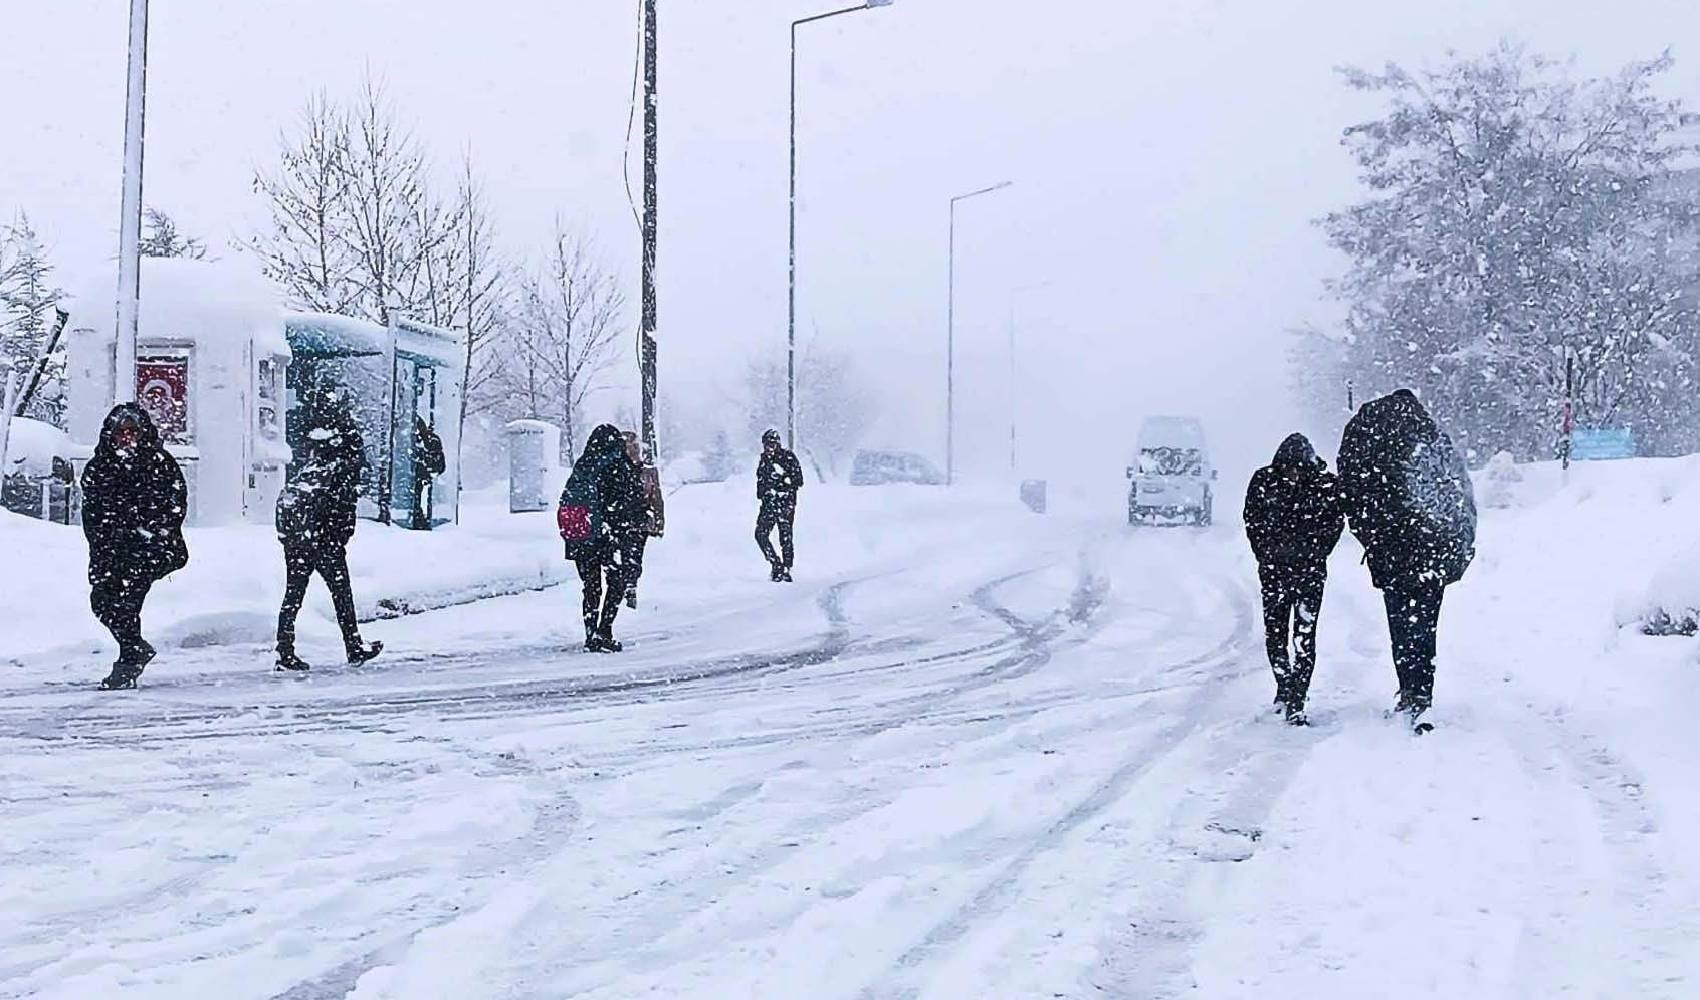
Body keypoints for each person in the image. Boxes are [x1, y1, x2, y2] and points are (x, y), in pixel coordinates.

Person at [1337, 389, 1476, 729]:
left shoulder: (1374, 447)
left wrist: (1372, 537)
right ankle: (1422, 692)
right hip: (1434, 555)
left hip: (1393, 556)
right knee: (1426, 626)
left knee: (1401, 625)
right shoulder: (1432, 442)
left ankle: (1408, 689)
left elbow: (1354, 497)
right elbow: (1458, 497)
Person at [81, 403, 189, 690]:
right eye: (121, 432)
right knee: (102, 602)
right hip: (112, 551)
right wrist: (104, 545)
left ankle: (128, 663)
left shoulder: (159, 464)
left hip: (151, 550)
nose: (127, 438)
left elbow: (175, 505)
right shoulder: (99, 467)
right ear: (111, 435)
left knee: (127, 603)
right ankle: (134, 649)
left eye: (132, 432)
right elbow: (92, 515)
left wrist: (153, 534)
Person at [275, 396, 383, 672]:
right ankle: (353, 645)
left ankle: (284, 650)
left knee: (293, 595)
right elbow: (340, 511)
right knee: (342, 594)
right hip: (325, 543)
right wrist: (337, 537)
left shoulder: (314, 466)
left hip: (299, 541)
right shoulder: (342, 470)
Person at [1244, 433, 1345, 725]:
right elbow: (1252, 521)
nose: (1293, 476)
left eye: (1298, 470)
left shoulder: (1325, 486)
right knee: (1275, 635)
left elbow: (1335, 523)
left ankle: (1297, 697)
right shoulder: (1264, 482)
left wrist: (1316, 553)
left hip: (1308, 573)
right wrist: (1265, 555)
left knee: (1304, 637)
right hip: (1275, 572)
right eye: (1288, 469)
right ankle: (1284, 686)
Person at [559, 424, 641, 652]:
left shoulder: (584, 463)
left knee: (591, 585)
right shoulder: (617, 463)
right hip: (608, 535)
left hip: (581, 535)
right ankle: (605, 630)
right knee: (616, 580)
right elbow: (628, 498)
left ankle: (590, 633)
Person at [619, 430, 666, 609]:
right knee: (624, 556)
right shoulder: (617, 471)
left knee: (634, 556)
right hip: (620, 521)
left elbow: (656, 498)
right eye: (630, 446)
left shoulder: (648, 472)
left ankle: (630, 586)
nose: (633, 450)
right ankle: (626, 586)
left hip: (639, 521)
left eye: (635, 446)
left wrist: (659, 522)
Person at [755, 429, 804, 582]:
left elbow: (798, 480)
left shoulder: (788, 457)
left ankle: (787, 569)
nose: (769, 447)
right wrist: (763, 492)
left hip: (785, 503)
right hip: (769, 504)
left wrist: (782, 482)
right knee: (760, 534)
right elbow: (761, 480)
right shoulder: (764, 460)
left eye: (772, 444)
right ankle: (776, 563)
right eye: (766, 444)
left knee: (786, 537)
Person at [411, 417, 446, 530]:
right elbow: (440, 465)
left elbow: (439, 465)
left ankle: (420, 519)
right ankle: (420, 519)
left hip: (420, 479)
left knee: (418, 498)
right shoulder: (431, 440)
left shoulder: (430, 441)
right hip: (421, 479)